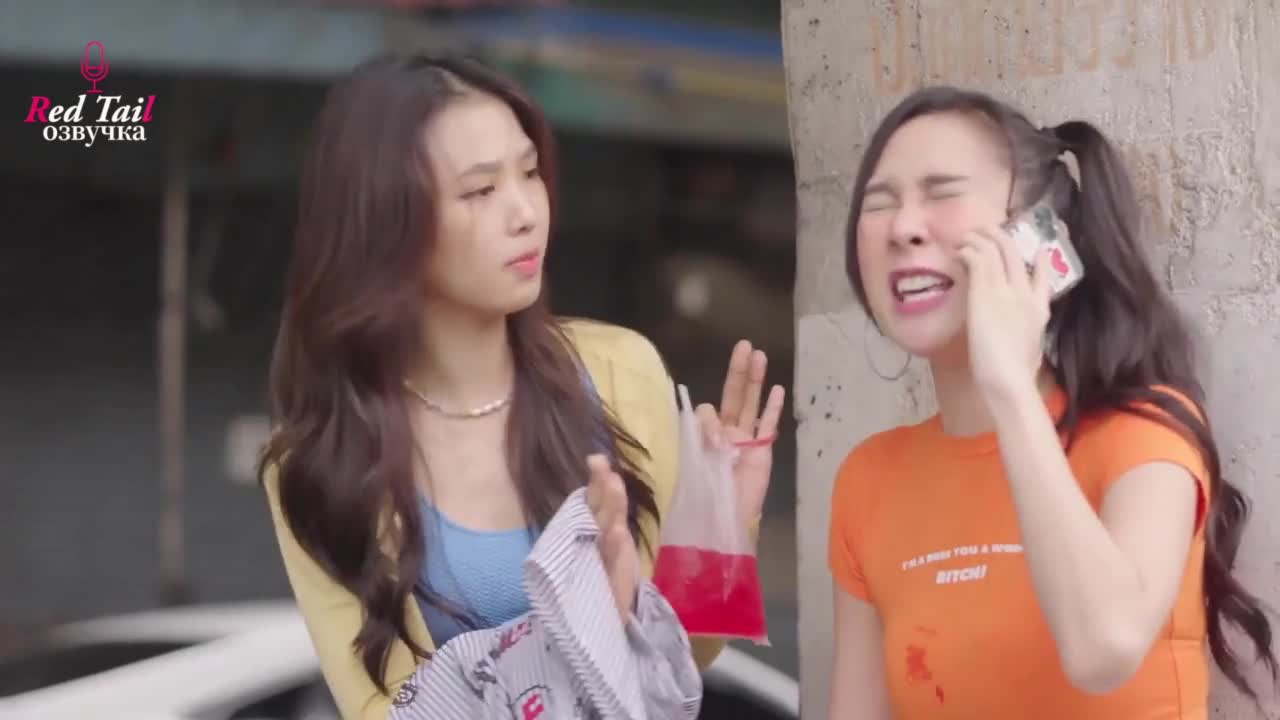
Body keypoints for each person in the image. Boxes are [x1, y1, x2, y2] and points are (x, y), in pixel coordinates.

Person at [260, 53, 785, 720]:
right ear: (388, 222)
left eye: (530, 172)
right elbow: (391, 709)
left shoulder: (621, 372)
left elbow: (690, 661)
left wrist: (721, 524)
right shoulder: (318, 462)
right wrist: (592, 623)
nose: (526, 213)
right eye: (481, 191)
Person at [827, 85, 1276, 719]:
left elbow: (1103, 648)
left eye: (942, 193)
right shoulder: (870, 480)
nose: (903, 228)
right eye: (879, 203)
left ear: (1037, 238)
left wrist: (1011, 388)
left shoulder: (1142, 437)